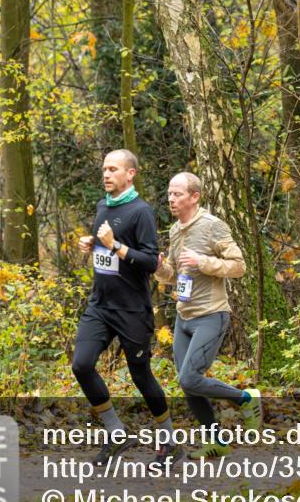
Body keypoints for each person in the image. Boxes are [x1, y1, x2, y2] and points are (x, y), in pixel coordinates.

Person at [73, 149, 173, 466]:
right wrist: (92, 244)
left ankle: (169, 442)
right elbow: (106, 249)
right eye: (104, 169)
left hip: (131, 309)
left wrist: (115, 245)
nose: (106, 174)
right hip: (100, 306)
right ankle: (116, 432)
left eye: (113, 169)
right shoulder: (102, 206)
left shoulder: (141, 212)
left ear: (131, 174)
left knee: (141, 376)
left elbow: (149, 261)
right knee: (81, 365)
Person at [154, 172, 262, 459]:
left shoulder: (213, 226)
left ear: (195, 197)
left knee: (190, 378)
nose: (171, 199)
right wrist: (159, 268)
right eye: (169, 194)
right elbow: (174, 275)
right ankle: (217, 441)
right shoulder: (175, 230)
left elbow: (239, 266)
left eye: (177, 194)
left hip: (211, 314)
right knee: (188, 384)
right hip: (183, 317)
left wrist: (203, 261)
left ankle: (246, 398)